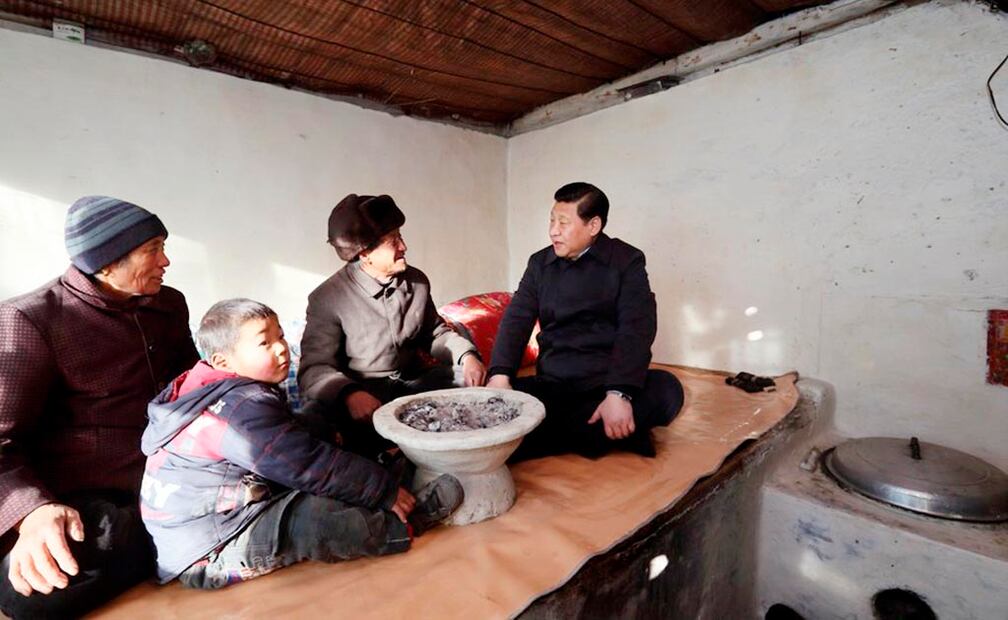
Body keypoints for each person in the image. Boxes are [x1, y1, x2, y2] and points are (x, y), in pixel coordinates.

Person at [140, 299, 463, 588]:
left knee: (319, 425)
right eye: (264, 343)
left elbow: (284, 437)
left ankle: (383, 479)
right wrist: (382, 490)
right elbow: (307, 465)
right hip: (212, 549)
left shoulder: (208, 388)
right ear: (223, 362)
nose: (281, 348)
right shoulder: (239, 409)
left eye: (280, 336)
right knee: (313, 517)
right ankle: (403, 524)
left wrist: (326, 434)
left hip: (225, 512)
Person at [0, 196, 200, 618]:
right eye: (153, 250)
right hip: (95, 496)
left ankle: (178, 534)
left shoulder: (169, 304)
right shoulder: (30, 320)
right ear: (107, 264)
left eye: (163, 246)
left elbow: (193, 385)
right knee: (30, 596)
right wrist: (32, 512)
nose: (166, 261)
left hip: (181, 471)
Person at [487, 182, 684, 460]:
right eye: (552, 221)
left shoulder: (626, 261)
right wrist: (500, 375)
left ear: (593, 226)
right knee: (487, 397)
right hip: (553, 384)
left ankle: (544, 433)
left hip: (605, 382)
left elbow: (636, 328)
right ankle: (601, 433)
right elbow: (516, 320)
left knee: (668, 388)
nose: (553, 230)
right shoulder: (539, 264)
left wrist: (619, 393)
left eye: (563, 222)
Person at [298, 194, 485, 457]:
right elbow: (314, 368)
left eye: (400, 236)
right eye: (393, 241)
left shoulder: (416, 281)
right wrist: (350, 394)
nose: (403, 246)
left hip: (411, 386)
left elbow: (434, 333)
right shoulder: (328, 298)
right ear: (365, 253)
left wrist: (466, 356)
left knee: (479, 388)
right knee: (312, 424)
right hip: (363, 395)